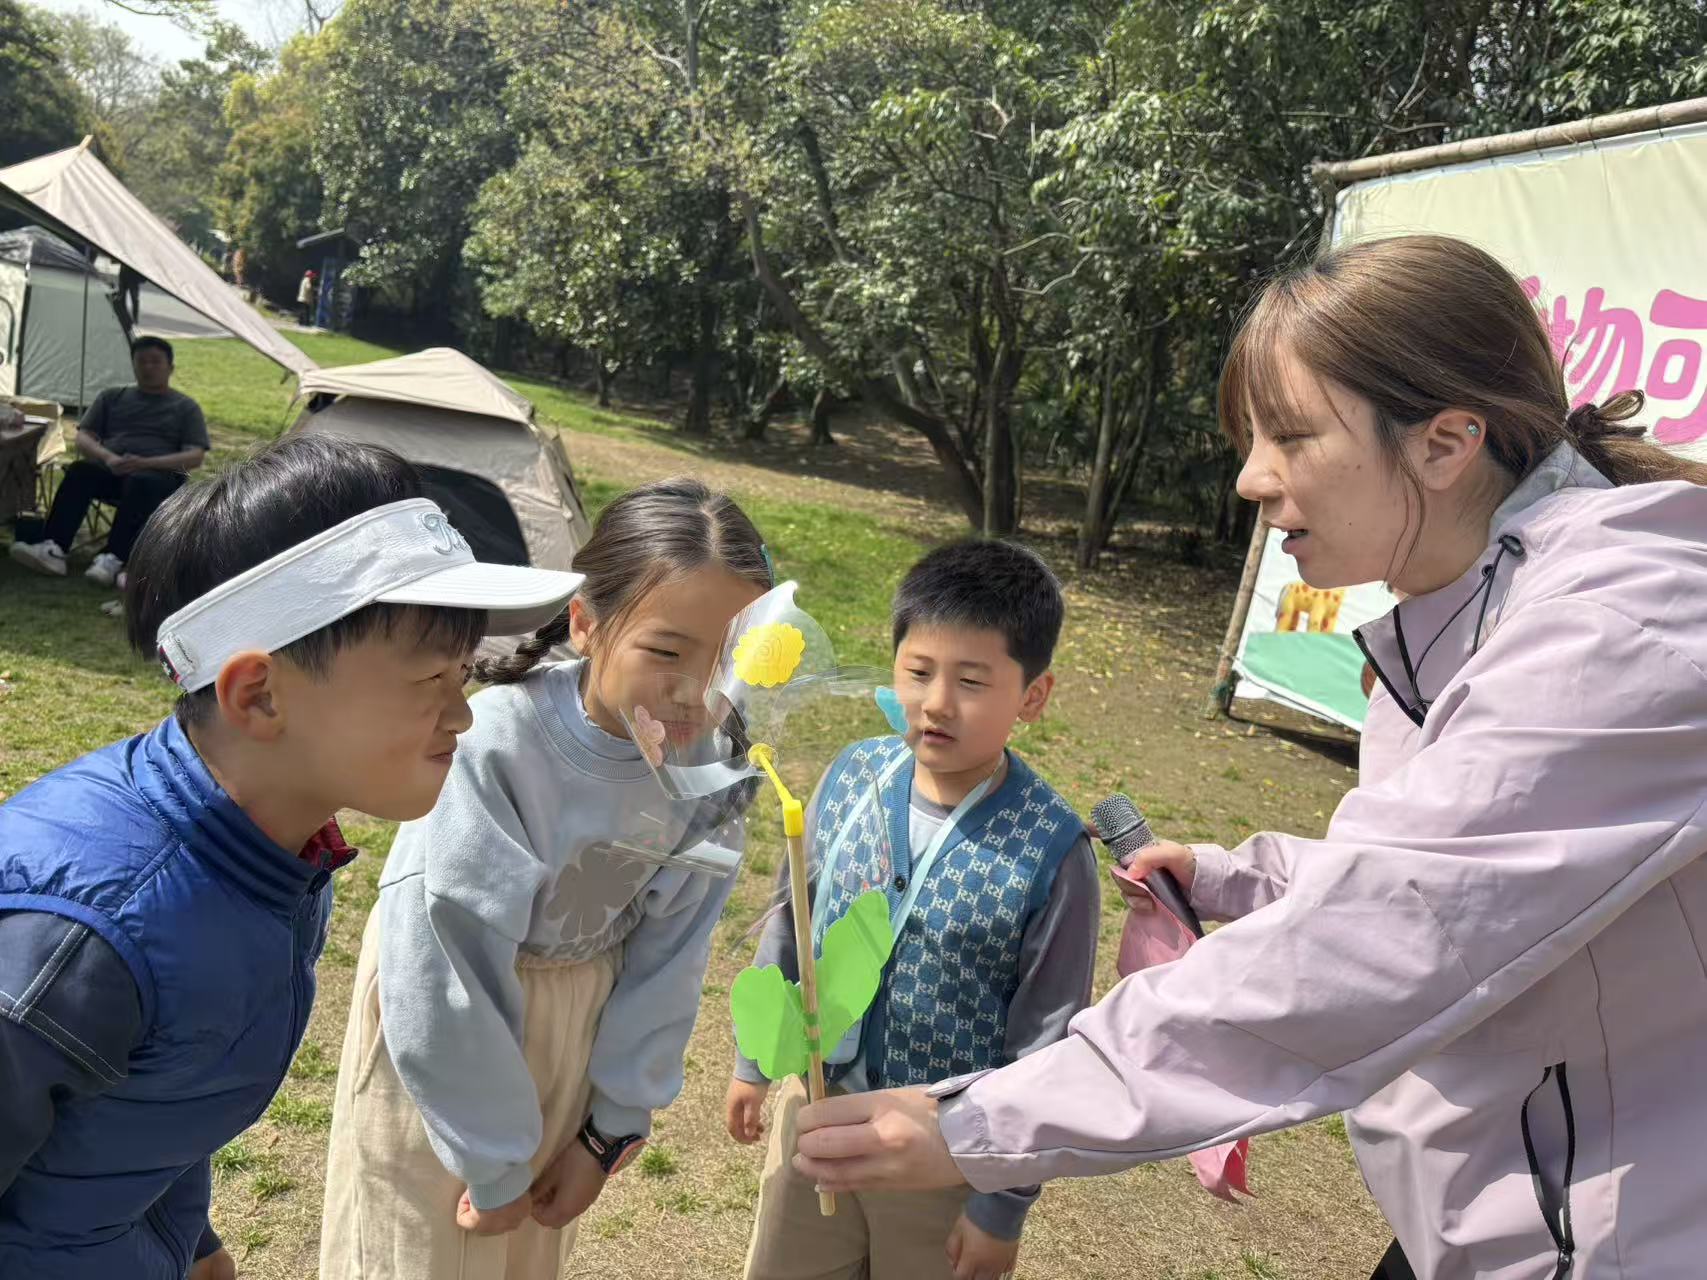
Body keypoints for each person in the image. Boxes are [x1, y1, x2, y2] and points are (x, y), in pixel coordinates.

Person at [789, 234, 1707, 1280]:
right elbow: (1468, 874)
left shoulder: (1614, 630)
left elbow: (1382, 937)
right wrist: (1244, 878)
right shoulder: (1464, 610)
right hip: (1497, 1217)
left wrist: (977, 1118)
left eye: (1291, 434)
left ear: (1446, 442)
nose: (1250, 477)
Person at [0, 435, 582, 1280]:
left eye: (465, 673)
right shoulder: (81, 936)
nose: (461, 716)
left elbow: (145, 1100)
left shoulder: (276, 849)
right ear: (259, 695)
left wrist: (192, 1244)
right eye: (430, 680)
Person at [318, 478, 774, 1280]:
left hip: (574, 1039)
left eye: (728, 658)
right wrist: (491, 1159)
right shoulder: (496, 744)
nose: (693, 689)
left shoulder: (714, 773)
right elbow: (442, 962)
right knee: (410, 1257)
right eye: (665, 650)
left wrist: (610, 1127)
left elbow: (673, 957)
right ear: (587, 624)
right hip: (448, 1052)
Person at [728, 539, 1098, 1280]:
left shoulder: (1051, 854)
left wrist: (999, 1206)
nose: (935, 703)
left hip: (943, 1161)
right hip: (819, 1113)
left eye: (970, 680)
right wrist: (754, 1061)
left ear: (1032, 695)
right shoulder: (851, 777)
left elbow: (1045, 1044)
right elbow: (791, 916)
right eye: (918, 671)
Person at [9, 336, 209, 586]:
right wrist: (108, 457)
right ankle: (54, 549)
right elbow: (83, 437)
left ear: (170, 367)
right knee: (81, 471)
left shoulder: (185, 408)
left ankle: (114, 559)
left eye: (156, 362)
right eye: (141, 361)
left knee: (141, 481)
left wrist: (147, 463)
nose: (148, 367)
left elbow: (195, 456)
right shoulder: (113, 397)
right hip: (113, 469)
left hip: (159, 478)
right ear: (133, 365)